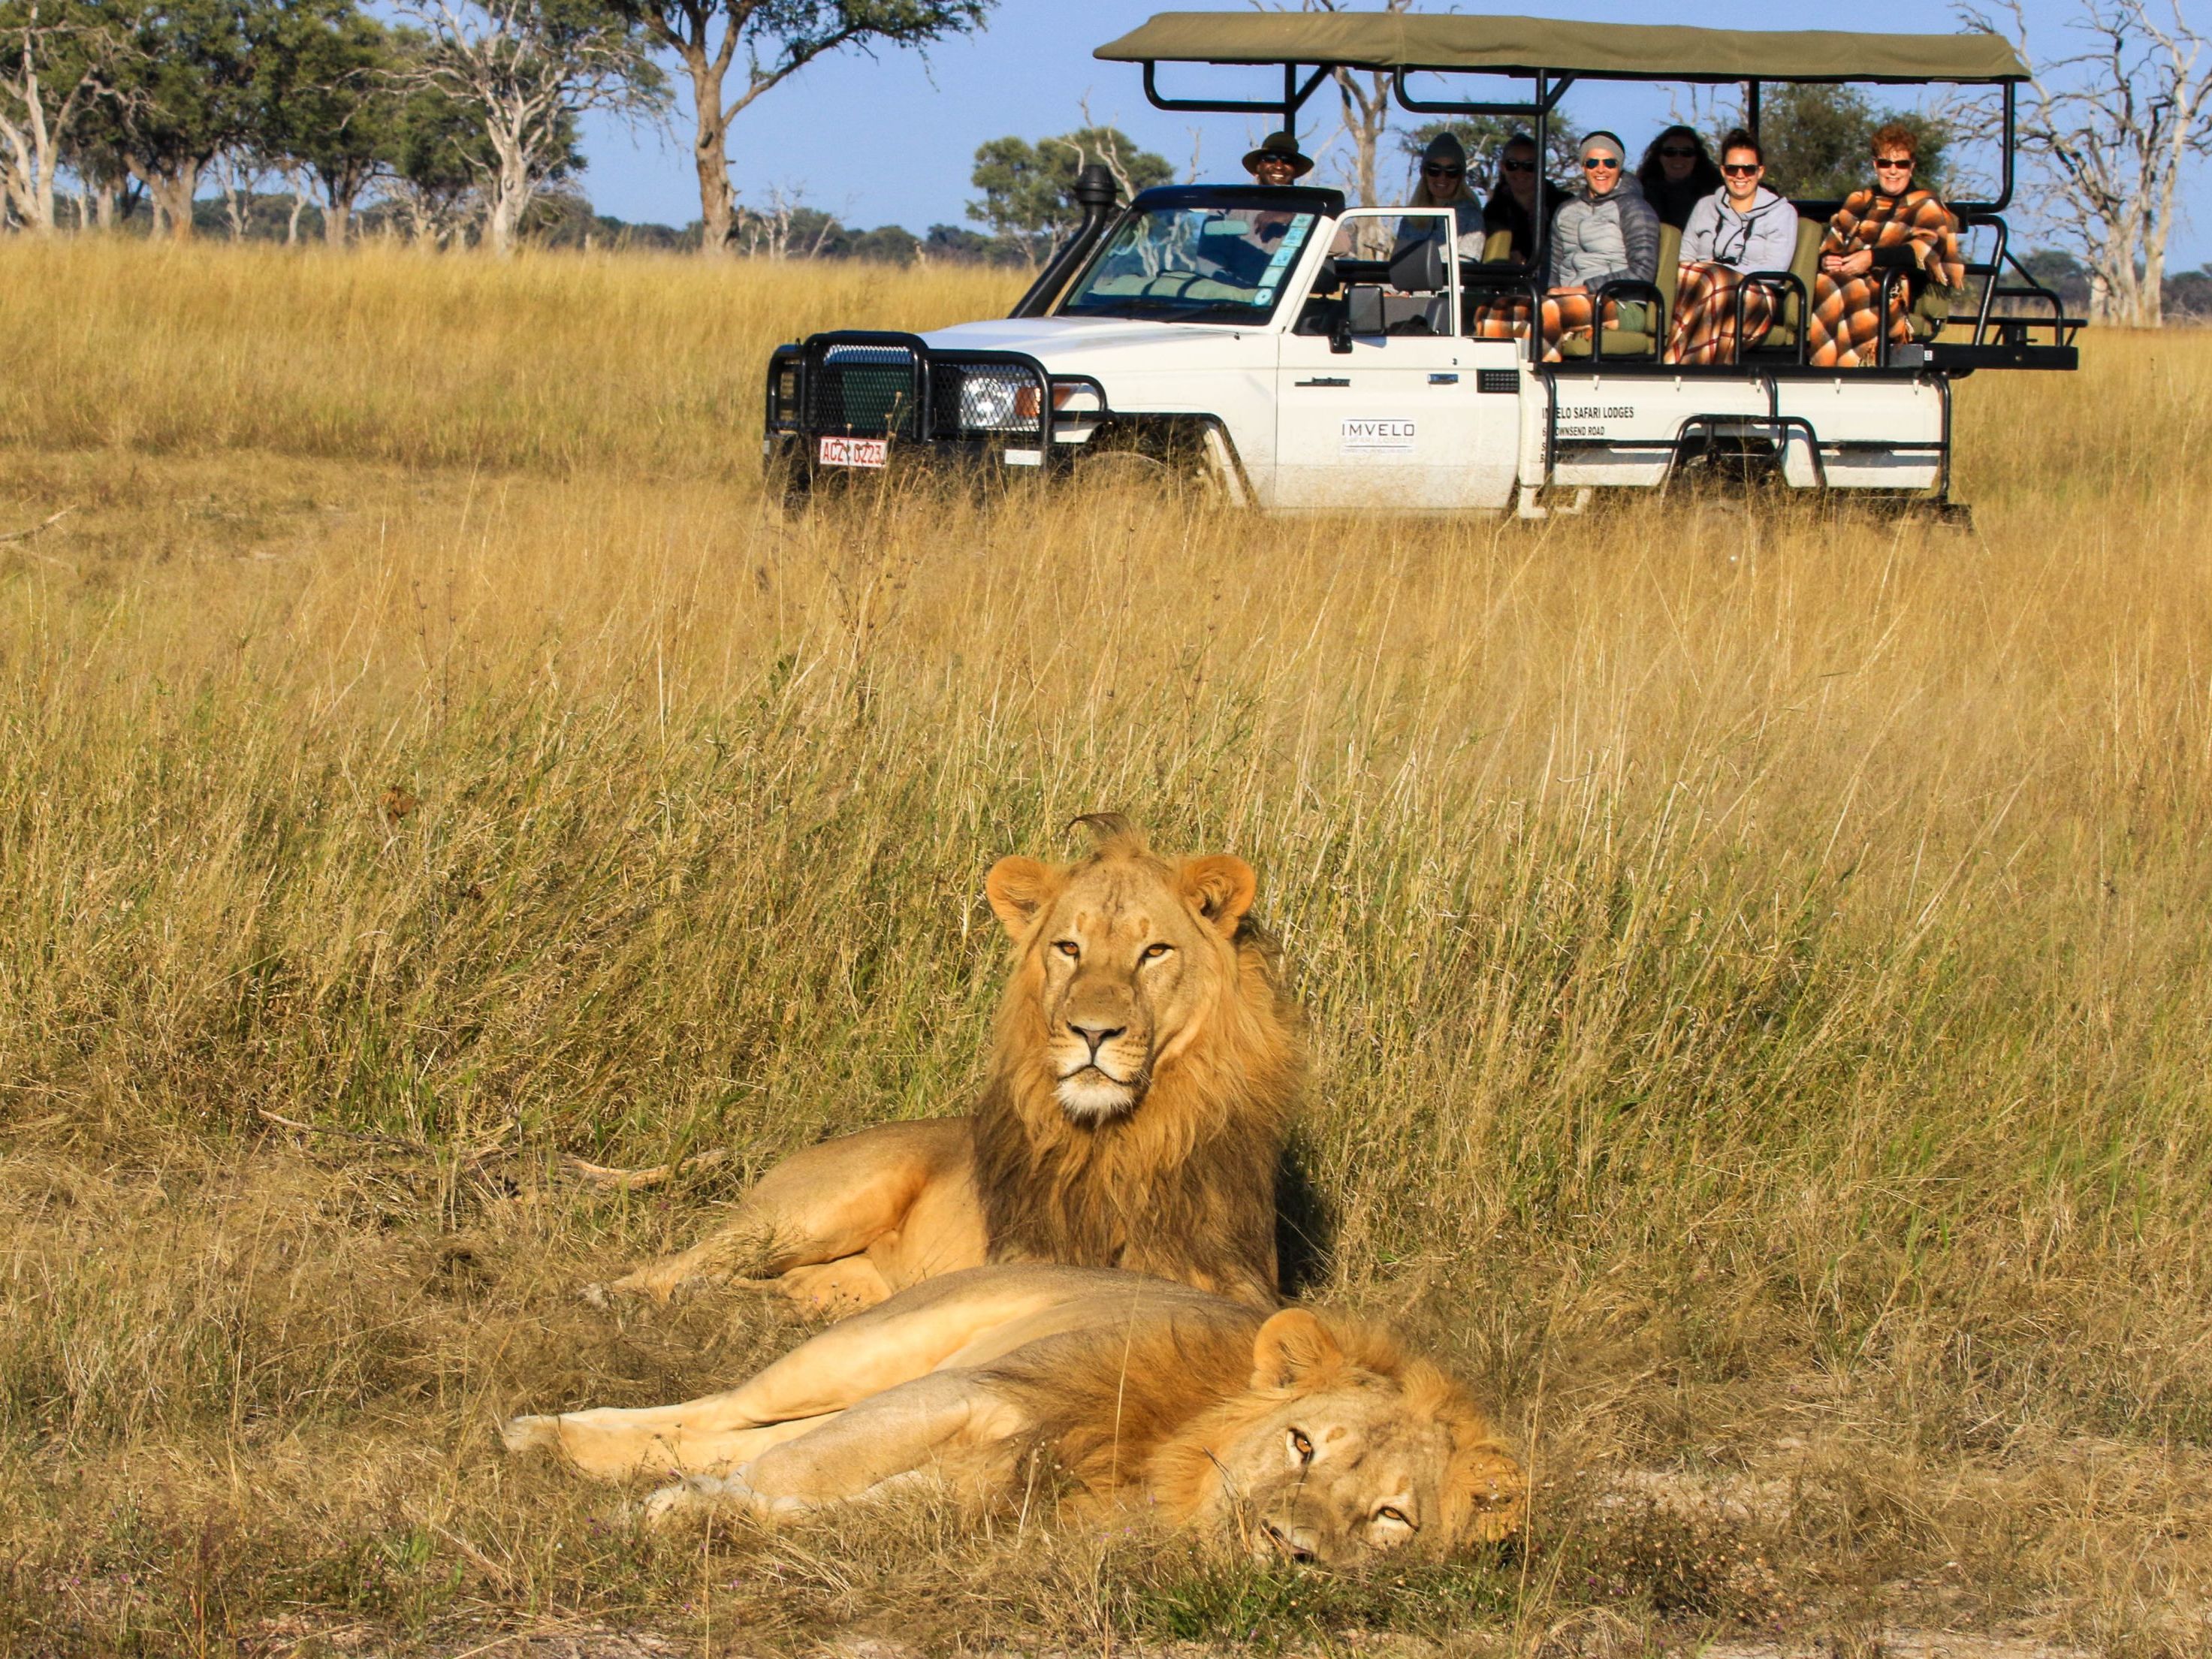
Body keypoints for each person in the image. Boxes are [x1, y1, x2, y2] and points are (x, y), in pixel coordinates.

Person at [1807, 122, 1964, 369]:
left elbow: (1925, 251)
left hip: (1893, 293)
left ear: (1912, 167)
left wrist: (1871, 259)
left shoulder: (1925, 206)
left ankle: (1851, 371)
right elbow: (1832, 243)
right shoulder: (1860, 201)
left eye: (1901, 164)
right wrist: (1827, 258)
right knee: (1824, 282)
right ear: (1875, 165)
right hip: (1845, 280)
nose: (1893, 171)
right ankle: (1823, 371)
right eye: (1885, 163)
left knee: (1847, 289)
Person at [1666, 129, 1801, 365]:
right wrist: (1712, 274)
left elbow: (1775, 271)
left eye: (1748, 169)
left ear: (1760, 171)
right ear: (1722, 171)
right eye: (1732, 169)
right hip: (1701, 290)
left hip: (1756, 293)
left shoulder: (1782, 213)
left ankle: (1677, 367)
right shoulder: (1705, 206)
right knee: (1699, 280)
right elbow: (1683, 258)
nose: (1740, 176)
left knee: (1717, 283)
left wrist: (1722, 274)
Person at [1541, 131, 1660, 362]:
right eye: (1593, 162)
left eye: (1610, 163)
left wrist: (1585, 289)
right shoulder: (1566, 210)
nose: (1601, 169)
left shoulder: (1635, 208)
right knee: (1499, 313)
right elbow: (1552, 267)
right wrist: (1554, 292)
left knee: (1546, 312)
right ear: (1584, 167)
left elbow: (1643, 272)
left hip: (1622, 303)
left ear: (1620, 167)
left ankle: (1546, 385)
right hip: (1569, 299)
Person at [1637, 125, 1723, 231]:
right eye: (1670, 152)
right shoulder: (1641, 196)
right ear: (1659, 157)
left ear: (1697, 158)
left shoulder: (1716, 196)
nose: (1678, 158)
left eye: (1687, 153)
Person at [1242, 131, 1314, 186]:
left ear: (1295, 169)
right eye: (1270, 158)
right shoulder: (1241, 200)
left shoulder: (1307, 203)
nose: (1279, 166)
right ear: (1258, 167)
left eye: (1288, 160)